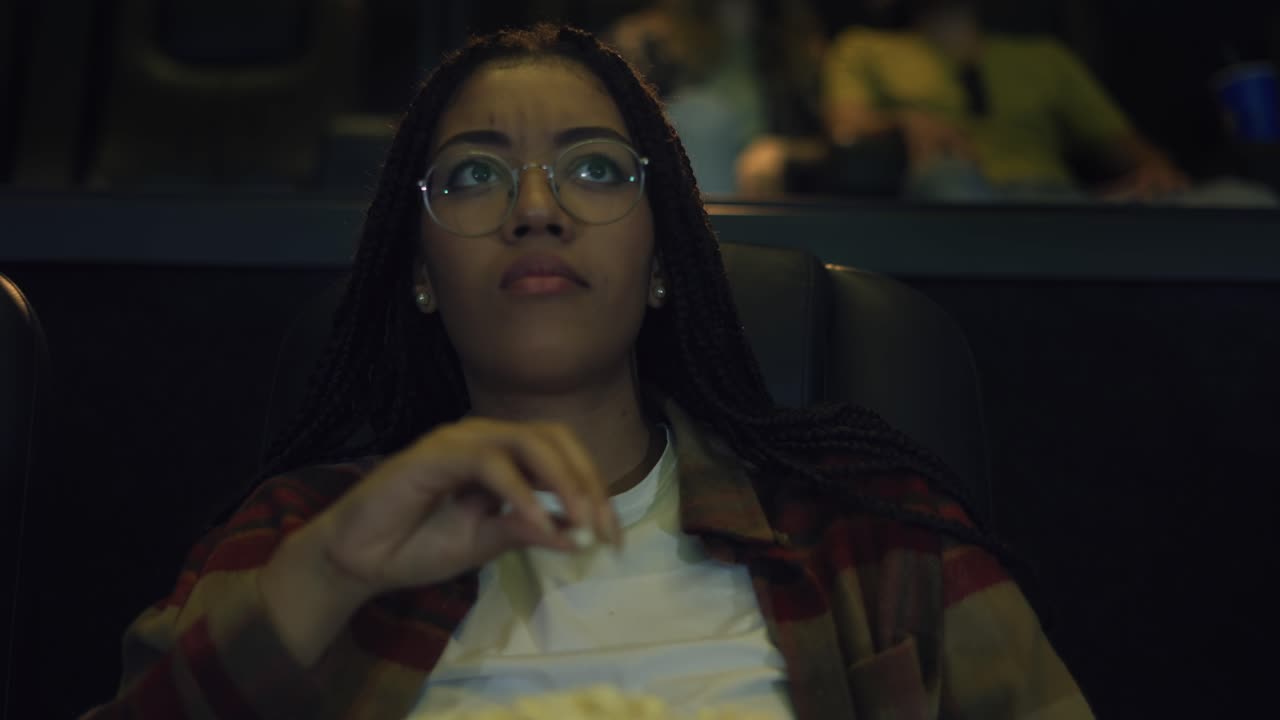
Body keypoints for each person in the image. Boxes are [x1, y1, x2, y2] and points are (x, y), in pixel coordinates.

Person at [83, 24, 1091, 719]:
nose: (534, 206)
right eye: (475, 173)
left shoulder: (868, 529)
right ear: (420, 275)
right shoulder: (298, 538)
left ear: (662, 266)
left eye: (594, 168)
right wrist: (332, 569)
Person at [823, 0, 1200, 203]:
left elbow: (1134, 152)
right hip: (952, 197)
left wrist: (1156, 173)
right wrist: (905, 119)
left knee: (1241, 199)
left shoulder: (1044, 55)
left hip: (1061, 205)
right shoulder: (864, 48)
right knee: (951, 185)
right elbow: (846, 127)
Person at [608, 0, 828, 196]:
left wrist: (784, 152)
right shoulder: (646, 40)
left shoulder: (798, 41)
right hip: (674, 205)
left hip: (774, 210)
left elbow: (835, 149)